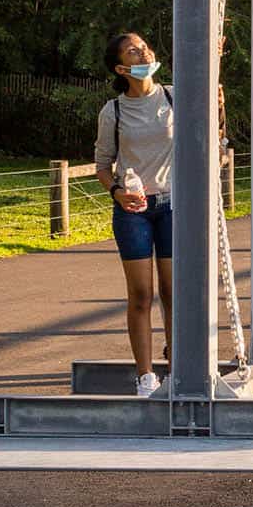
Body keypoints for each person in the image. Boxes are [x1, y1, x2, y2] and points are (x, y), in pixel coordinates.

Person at [94, 32, 174, 397]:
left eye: (144, 46)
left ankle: (179, 368)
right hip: (134, 211)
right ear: (121, 67)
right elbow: (102, 165)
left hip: (175, 204)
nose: (143, 51)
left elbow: (212, 138)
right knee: (141, 294)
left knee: (175, 292)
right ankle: (145, 377)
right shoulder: (113, 111)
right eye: (133, 49)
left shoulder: (176, 96)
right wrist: (116, 192)